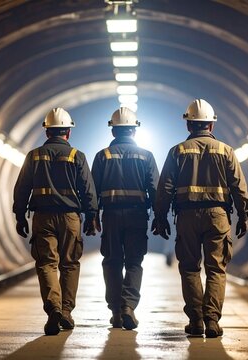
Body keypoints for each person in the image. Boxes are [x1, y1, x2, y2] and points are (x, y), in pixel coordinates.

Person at [152, 99, 248, 338]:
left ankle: (196, 321)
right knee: (216, 269)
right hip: (218, 216)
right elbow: (239, 187)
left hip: (187, 217)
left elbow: (164, 188)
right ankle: (212, 321)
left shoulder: (177, 151)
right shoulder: (226, 151)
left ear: (189, 126)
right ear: (211, 126)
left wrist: (160, 216)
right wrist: (243, 215)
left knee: (189, 268)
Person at [13, 107, 99, 336]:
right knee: (70, 264)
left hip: (42, 217)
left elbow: (22, 188)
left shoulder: (34, 155)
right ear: (68, 133)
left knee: (46, 263)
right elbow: (88, 190)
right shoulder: (77, 156)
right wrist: (92, 216)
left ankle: (54, 308)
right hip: (70, 217)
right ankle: (67, 312)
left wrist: (19, 215)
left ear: (46, 132)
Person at [91, 107, 159, 330]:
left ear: (113, 131)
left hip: (110, 216)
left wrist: (92, 216)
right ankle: (129, 306)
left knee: (112, 262)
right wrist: (159, 216)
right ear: (134, 131)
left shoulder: (102, 156)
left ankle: (117, 311)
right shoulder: (146, 156)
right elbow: (155, 190)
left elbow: (92, 192)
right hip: (137, 216)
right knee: (133, 262)